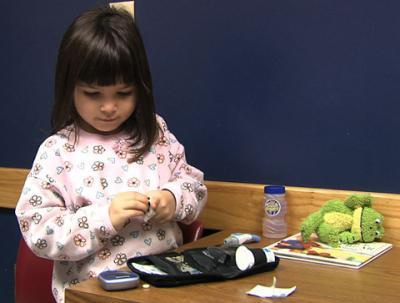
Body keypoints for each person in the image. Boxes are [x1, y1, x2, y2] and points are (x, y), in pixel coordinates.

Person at [15, 6, 207, 303]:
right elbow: (39, 230)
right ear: (70, 88)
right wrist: (104, 217)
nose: (108, 107)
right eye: (93, 94)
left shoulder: (154, 132)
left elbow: (193, 186)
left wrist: (173, 198)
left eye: (124, 93)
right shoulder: (57, 152)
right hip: (93, 295)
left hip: (166, 289)